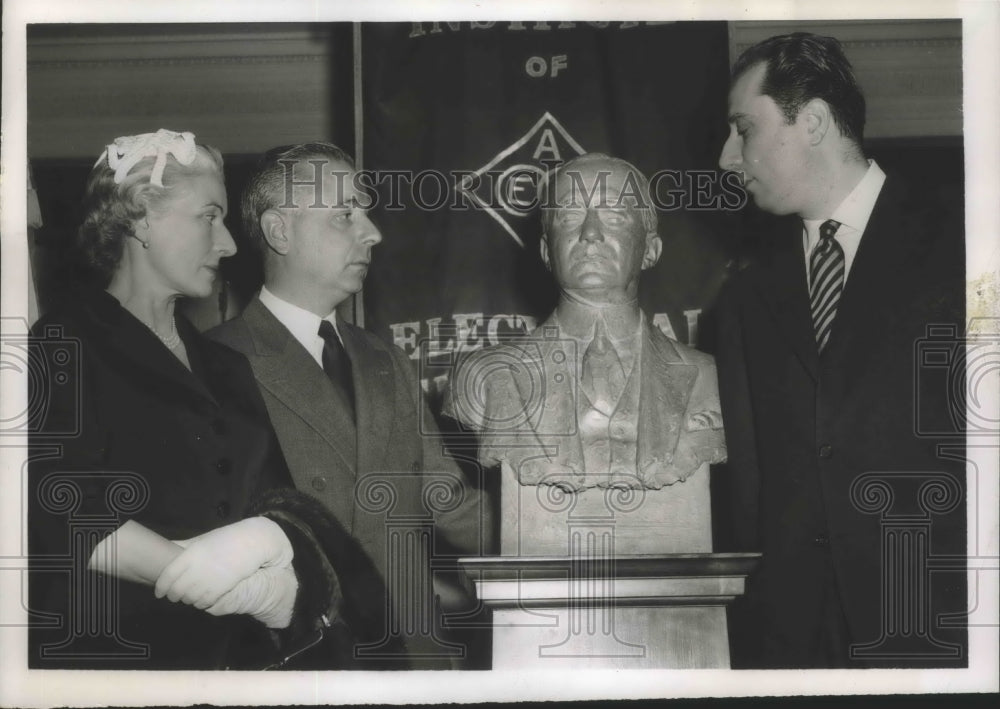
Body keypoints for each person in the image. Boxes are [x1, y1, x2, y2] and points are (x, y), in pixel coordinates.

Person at [27, 130, 363, 670]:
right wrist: (227, 587)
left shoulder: (226, 365)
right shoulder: (62, 343)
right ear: (139, 217)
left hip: (236, 666)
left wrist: (280, 564)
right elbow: (60, 507)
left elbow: (282, 502)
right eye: (209, 217)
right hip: (115, 665)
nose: (229, 244)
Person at [714, 33, 966, 668]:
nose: (726, 157)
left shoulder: (968, 245)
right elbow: (751, 488)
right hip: (792, 640)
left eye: (743, 129)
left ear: (815, 121)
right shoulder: (745, 296)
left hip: (941, 624)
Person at [207, 142, 491, 669]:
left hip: (414, 659)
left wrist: (555, 523)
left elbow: (447, 499)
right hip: (300, 662)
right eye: (345, 215)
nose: (373, 232)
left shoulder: (388, 361)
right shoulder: (215, 364)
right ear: (279, 231)